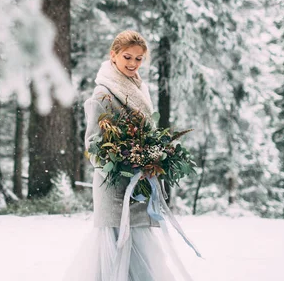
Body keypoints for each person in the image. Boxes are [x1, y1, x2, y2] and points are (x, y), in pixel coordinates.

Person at [66, 30, 197, 281]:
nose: (133, 63)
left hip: (139, 184)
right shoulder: (102, 95)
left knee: (141, 248)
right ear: (113, 55)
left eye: (139, 59)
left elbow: (144, 132)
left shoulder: (139, 88)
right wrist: (126, 159)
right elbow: (93, 146)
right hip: (114, 187)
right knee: (116, 248)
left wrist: (151, 157)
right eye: (127, 56)